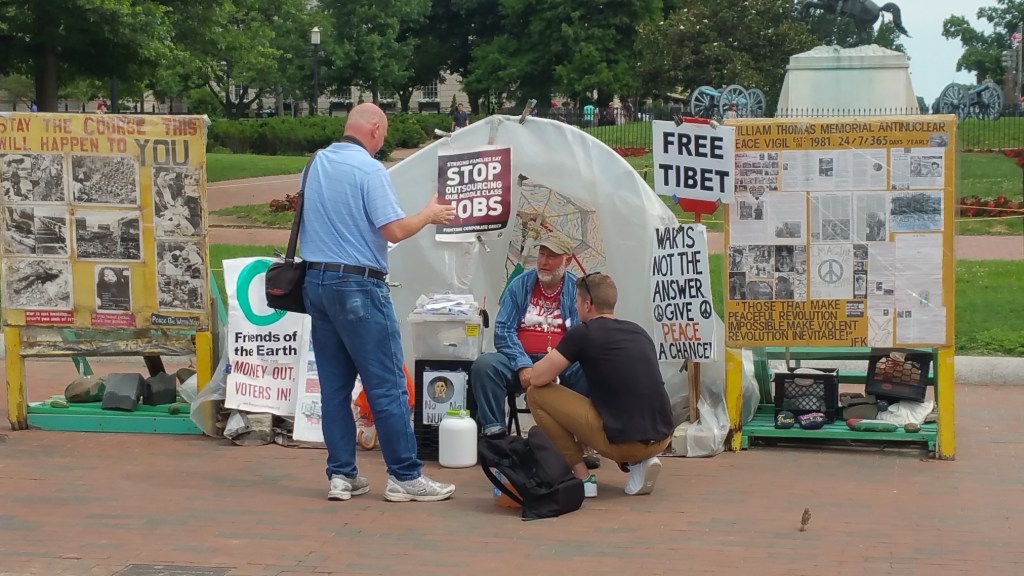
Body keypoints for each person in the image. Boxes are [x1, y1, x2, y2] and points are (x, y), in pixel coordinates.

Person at [299, 103, 458, 503]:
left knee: (334, 388)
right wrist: (429, 213)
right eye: (383, 134)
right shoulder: (369, 170)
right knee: (387, 385)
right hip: (358, 285)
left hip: (316, 282)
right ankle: (405, 475)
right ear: (374, 129)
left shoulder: (315, 164)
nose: (382, 141)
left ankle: (342, 475)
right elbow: (395, 230)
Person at [526, 273, 673, 498]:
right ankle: (639, 463)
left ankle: (583, 477)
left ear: (588, 304)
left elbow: (537, 378)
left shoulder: (583, 333)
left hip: (623, 443)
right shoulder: (639, 332)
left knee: (536, 394)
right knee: (622, 399)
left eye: (577, 301)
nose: (575, 306)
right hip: (662, 437)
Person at [469, 232, 591, 442]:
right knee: (485, 365)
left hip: (561, 362)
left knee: (590, 366)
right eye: (541, 254)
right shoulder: (519, 284)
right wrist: (523, 364)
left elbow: (580, 335)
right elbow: (503, 329)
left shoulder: (577, 290)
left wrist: (553, 366)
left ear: (568, 260)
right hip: (520, 361)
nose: (543, 261)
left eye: (551, 256)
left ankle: (580, 436)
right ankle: (495, 435)